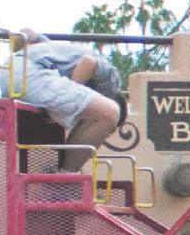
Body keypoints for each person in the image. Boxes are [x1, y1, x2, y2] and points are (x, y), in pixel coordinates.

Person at [7, 29, 123, 171]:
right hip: (31, 75)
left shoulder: (57, 51)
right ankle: (66, 178)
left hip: (10, 73)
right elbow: (88, 62)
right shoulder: (112, 82)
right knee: (109, 113)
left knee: (70, 121)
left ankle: (63, 173)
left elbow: (29, 34)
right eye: (108, 131)